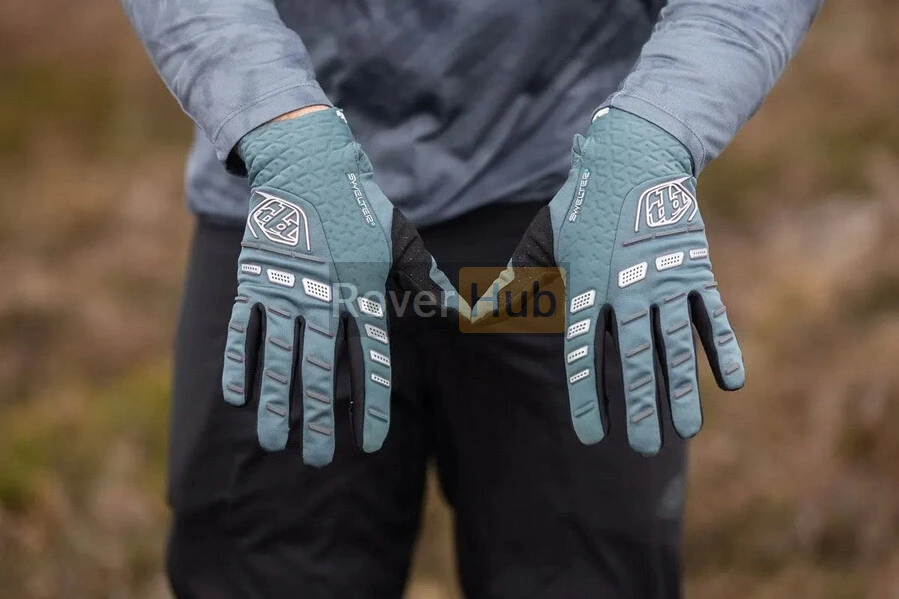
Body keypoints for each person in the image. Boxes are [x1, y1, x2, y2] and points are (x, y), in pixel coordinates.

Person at [121, 1, 822, 597]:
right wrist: (278, 128)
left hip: (573, 202)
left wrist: (656, 132)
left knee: (585, 576)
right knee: (262, 573)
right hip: (294, 201)